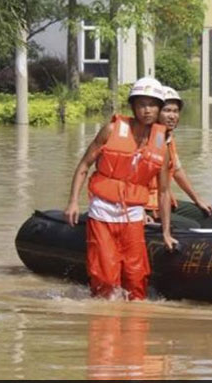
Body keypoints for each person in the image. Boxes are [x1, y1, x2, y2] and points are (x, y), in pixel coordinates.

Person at [64, 77, 177, 301]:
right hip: (102, 212)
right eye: (142, 104)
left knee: (137, 279)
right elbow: (84, 166)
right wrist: (74, 202)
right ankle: (104, 325)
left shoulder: (160, 145)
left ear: (159, 109)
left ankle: (134, 330)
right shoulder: (111, 130)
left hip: (133, 215)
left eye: (153, 104)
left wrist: (166, 232)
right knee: (105, 278)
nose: (147, 110)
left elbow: (164, 192)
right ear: (133, 106)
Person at [145, 86, 212, 229]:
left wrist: (197, 199)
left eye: (175, 111)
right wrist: (137, 210)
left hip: (164, 201)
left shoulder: (168, 137)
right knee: (190, 225)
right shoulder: (144, 139)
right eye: (167, 110)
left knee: (205, 214)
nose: (172, 116)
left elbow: (177, 171)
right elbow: (129, 180)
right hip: (146, 206)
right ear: (156, 112)